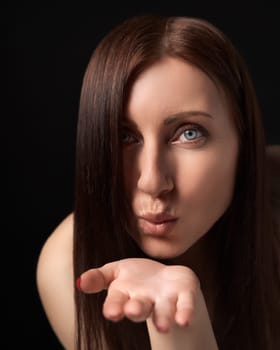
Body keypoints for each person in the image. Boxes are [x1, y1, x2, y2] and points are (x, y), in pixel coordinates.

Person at [36, 14, 280, 350]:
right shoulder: (68, 263)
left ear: (243, 141)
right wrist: (177, 325)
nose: (152, 182)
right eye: (124, 136)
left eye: (189, 133)